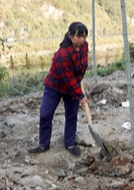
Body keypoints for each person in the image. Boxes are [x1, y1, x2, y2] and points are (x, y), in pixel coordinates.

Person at [28, 22, 89, 157]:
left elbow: (83, 66)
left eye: (84, 36)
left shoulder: (84, 47)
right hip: (55, 85)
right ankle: (44, 144)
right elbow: (67, 77)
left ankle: (70, 144)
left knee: (72, 116)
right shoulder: (62, 54)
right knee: (45, 115)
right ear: (70, 35)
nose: (82, 40)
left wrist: (78, 81)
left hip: (73, 86)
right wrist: (80, 95)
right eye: (79, 36)